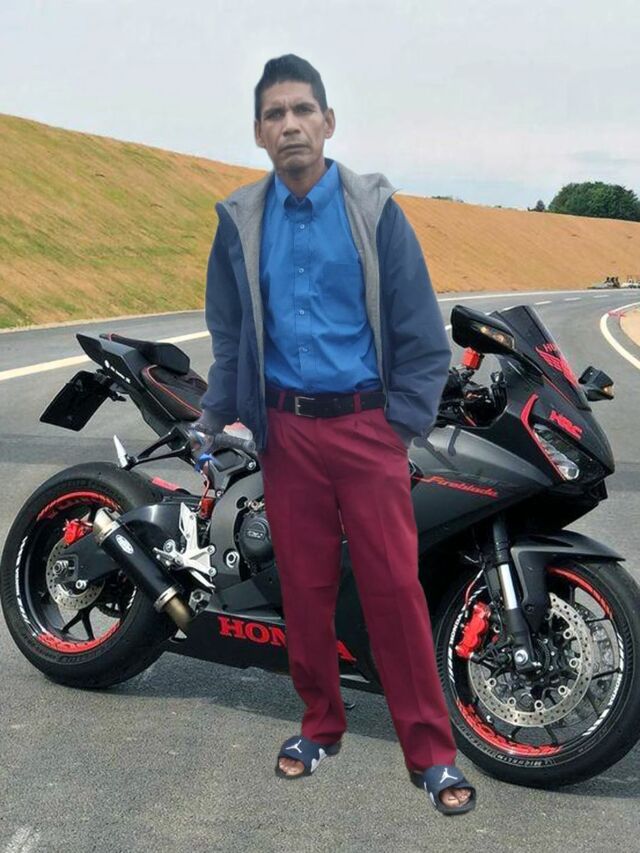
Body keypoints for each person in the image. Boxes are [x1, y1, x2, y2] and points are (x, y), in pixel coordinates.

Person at [193, 54, 476, 815]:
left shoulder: (373, 211)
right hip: (285, 433)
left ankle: (431, 753)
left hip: (365, 429)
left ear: (328, 122)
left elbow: (421, 333)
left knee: (393, 590)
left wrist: (398, 425)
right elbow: (230, 335)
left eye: (302, 110)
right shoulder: (239, 223)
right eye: (275, 114)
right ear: (259, 132)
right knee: (306, 590)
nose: (290, 124)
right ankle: (320, 724)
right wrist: (216, 415)